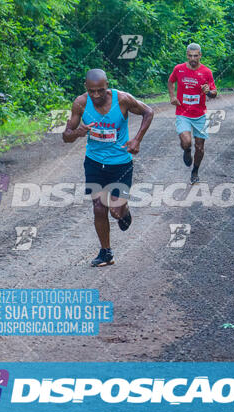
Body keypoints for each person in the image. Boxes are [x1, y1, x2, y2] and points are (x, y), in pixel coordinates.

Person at [63, 69, 154, 267]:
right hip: (94, 162)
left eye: (101, 91)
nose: (96, 96)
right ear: (86, 88)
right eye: (92, 91)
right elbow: (66, 135)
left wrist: (137, 139)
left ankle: (124, 211)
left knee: (115, 211)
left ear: (107, 86)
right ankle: (106, 253)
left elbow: (148, 111)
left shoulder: (122, 99)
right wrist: (77, 132)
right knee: (98, 208)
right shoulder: (80, 103)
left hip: (120, 163)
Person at [168, 43, 217, 184]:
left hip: (200, 114)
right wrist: (172, 96)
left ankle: (195, 171)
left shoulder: (206, 72)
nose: (193, 58)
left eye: (196, 55)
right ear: (186, 55)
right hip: (183, 112)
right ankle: (186, 150)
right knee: (186, 142)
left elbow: (214, 92)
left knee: (200, 147)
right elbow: (170, 82)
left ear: (200, 55)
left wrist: (208, 91)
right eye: (190, 56)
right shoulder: (179, 69)